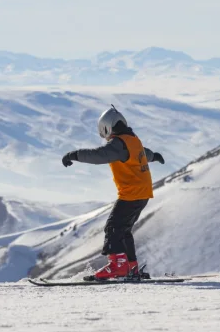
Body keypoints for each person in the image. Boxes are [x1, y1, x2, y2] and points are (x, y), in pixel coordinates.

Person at [62, 106, 165, 281]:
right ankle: (132, 268)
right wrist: (155, 156)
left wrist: (74, 155)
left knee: (112, 228)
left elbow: (100, 155)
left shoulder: (119, 143)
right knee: (124, 231)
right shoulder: (133, 140)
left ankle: (118, 267)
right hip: (143, 192)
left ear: (106, 127)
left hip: (131, 194)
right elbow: (144, 154)